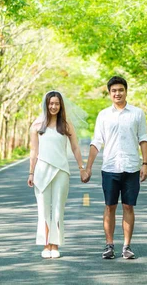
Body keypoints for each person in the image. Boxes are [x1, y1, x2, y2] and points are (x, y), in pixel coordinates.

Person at [82, 76, 147, 259]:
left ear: (126, 91)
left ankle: (126, 246)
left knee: (128, 206)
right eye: (114, 91)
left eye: (120, 90)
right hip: (110, 166)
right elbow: (96, 142)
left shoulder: (137, 113)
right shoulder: (104, 115)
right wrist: (88, 168)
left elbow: (143, 138)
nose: (117, 93)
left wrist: (145, 163)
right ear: (109, 93)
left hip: (132, 167)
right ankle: (109, 245)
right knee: (110, 206)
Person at [28, 90, 88, 259]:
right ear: (46, 104)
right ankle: (46, 245)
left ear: (61, 105)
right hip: (41, 171)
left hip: (61, 170)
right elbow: (33, 151)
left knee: (58, 210)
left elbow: (75, 147)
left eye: (56, 103)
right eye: (51, 103)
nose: (53, 106)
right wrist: (31, 172)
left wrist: (81, 167)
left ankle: (55, 245)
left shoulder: (66, 125)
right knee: (44, 210)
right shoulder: (37, 125)